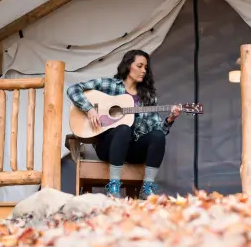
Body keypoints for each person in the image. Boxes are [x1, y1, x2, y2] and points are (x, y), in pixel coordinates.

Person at [66, 49, 181, 199]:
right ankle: (114, 186)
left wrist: (170, 119)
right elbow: (73, 89)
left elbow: (156, 130)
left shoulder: (148, 96)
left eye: (145, 67)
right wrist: (89, 110)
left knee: (158, 136)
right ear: (128, 65)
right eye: (139, 66)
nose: (143, 71)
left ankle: (147, 189)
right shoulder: (109, 85)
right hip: (108, 148)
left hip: (133, 150)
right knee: (123, 129)